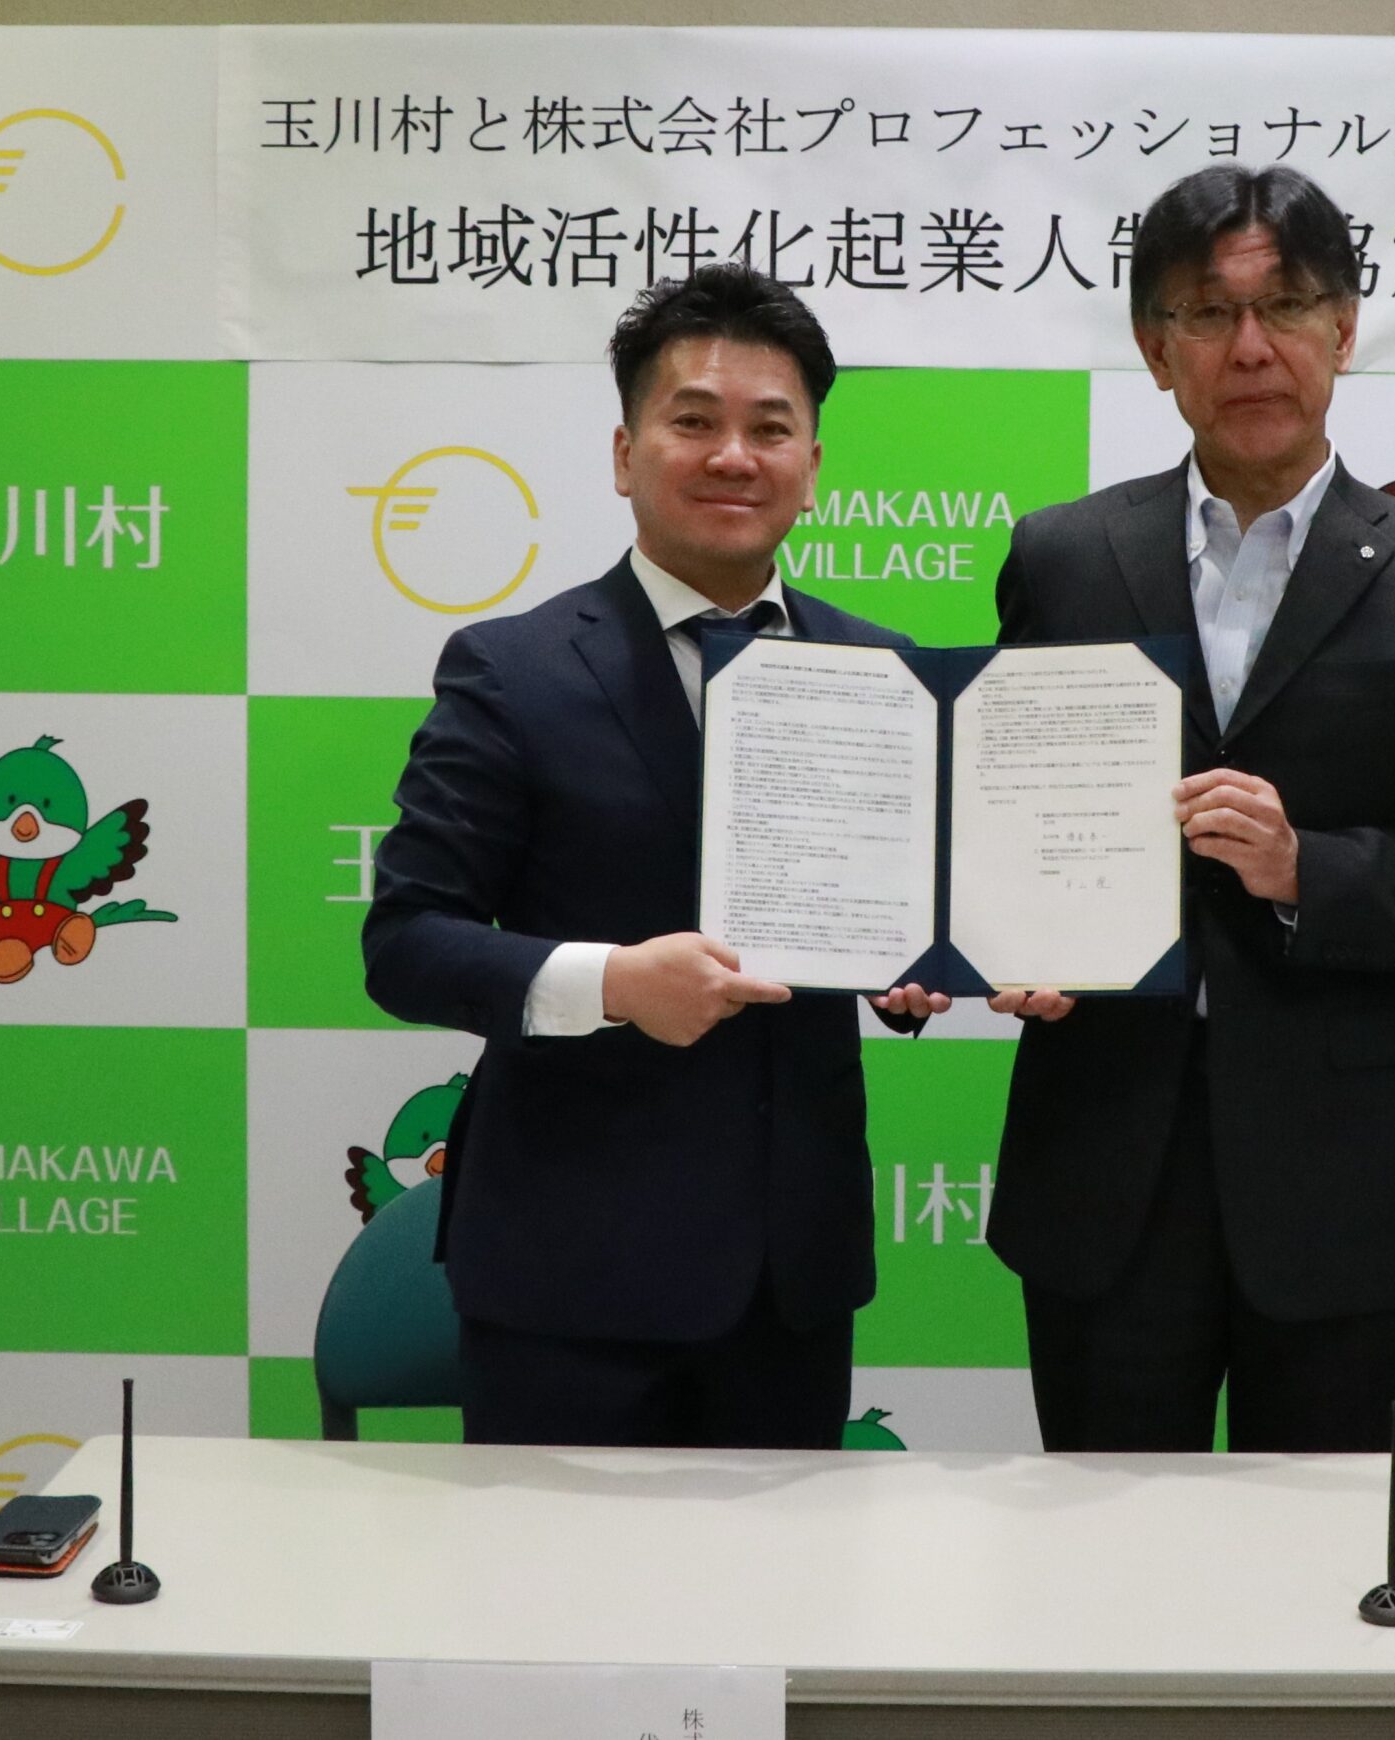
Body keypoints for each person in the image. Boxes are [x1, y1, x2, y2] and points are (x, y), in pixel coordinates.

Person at [983, 165, 1395, 1454]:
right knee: (1099, 1547)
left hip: (1340, 1178)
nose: (1250, 346)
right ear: (1155, 350)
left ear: (1343, 330)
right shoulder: (1061, 558)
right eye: (1206, 312)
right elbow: (1012, 815)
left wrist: (1309, 871)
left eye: (1286, 306)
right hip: (1103, 1164)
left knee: (1332, 1553)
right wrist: (1002, 937)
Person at [363, 264, 945, 1450]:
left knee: (778, 1566)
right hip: (567, 1270)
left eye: (769, 428)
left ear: (812, 465)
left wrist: (916, 962)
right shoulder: (512, 671)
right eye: (694, 421)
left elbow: (888, 916)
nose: (734, 455)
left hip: (788, 1274)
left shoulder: (880, 672)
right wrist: (616, 984)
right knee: (558, 1576)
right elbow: (408, 943)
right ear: (626, 454)